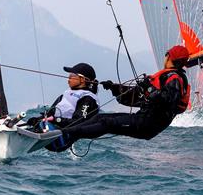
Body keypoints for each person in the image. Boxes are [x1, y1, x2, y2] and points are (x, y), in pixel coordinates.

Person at [49, 45, 191, 152]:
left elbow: (168, 101)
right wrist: (114, 88)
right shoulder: (168, 77)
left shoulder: (174, 78)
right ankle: (66, 133)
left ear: (171, 58)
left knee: (107, 123)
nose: (165, 58)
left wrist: (148, 89)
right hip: (143, 119)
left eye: (166, 55)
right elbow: (134, 97)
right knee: (100, 118)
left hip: (148, 124)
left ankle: (64, 134)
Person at [26, 63, 99, 151]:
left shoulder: (88, 99)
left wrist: (56, 119)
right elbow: (50, 114)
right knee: (36, 124)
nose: (68, 80)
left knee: (42, 126)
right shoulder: (66, 94)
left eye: (71, 76)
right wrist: (37, 119)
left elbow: (78, 122)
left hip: (63, 139)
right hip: (51, 131)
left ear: (82, 79)